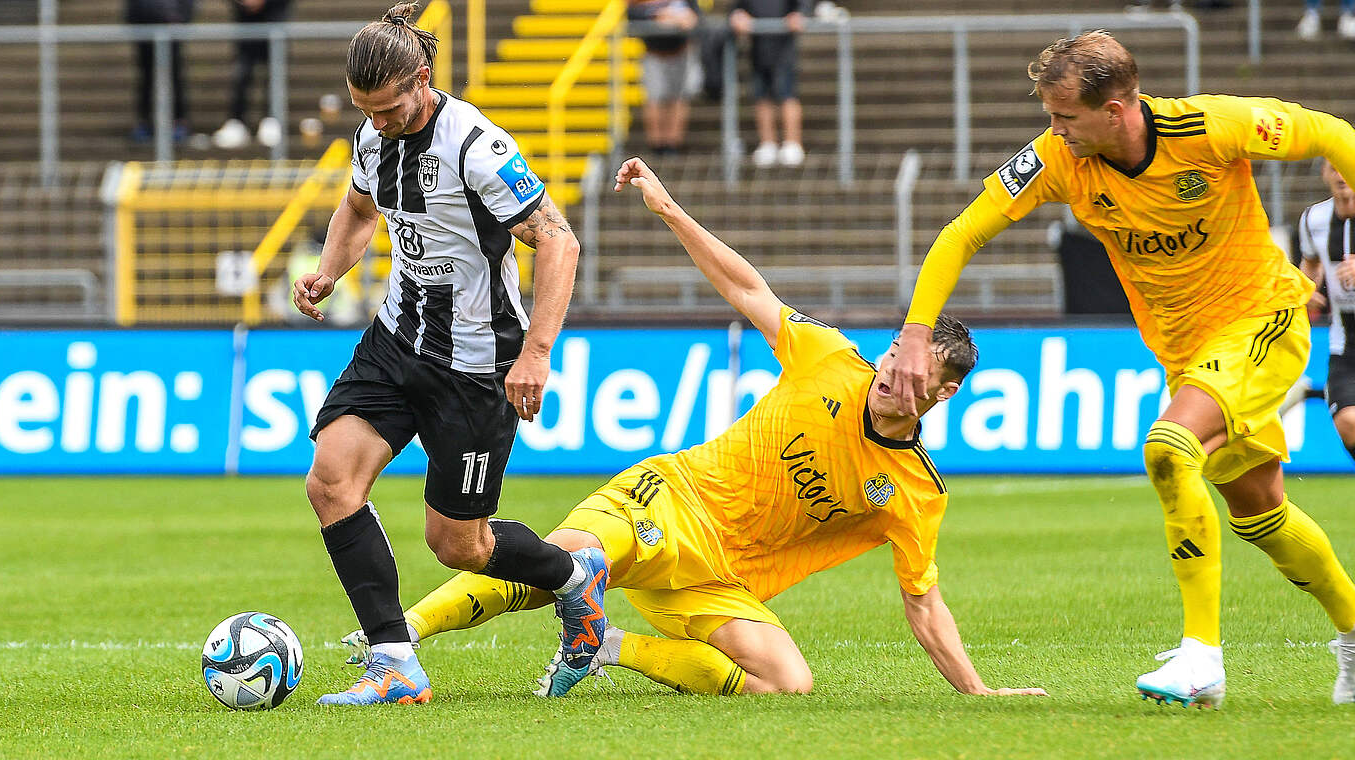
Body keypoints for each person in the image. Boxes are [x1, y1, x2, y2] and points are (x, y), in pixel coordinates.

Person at [341, 157, 1047, 701]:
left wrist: (977, 692)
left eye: (915, 370)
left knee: (786, 684)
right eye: (898, 350)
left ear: (945, 392)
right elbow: (748, 290)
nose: (896, 370)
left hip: (719, 578)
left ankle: (603, 646)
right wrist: (671, 209)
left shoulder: (915, 493)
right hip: (670, 500)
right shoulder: (832, 359)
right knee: (561, 565)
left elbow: (923, 603)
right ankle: (399, 640)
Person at [890, 30, 1355, 709]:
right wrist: (914, 332)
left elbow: (1333, 133)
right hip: (1188, 355)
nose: (1054, 132)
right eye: (1049, 117)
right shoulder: (1057, 158)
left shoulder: (1211, 126)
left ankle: (1202, 660)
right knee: (1262, 516)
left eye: (1065, 117)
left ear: (1118, 108)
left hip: (1264, 321)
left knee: (1169, 447)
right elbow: (964, 231)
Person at [291, 3, 605, 706]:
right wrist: (330, 269)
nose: (378, 122)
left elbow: (558, 240)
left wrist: (537, 353)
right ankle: (395, 665)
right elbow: (358, 209)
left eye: (391, 108)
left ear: (423, 80)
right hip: (397, 340)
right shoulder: (373, 139)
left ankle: (574, 575)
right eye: (365, 110)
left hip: (477, 363)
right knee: (330, 481)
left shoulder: (477, 147)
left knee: (459, 545)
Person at [1297, 160, 1355, 465]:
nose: (1340, 175)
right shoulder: (1314, 218)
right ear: (1324, 173)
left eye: (1347, 166)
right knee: (1348, 423)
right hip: (1346, 344)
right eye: (1334, 168)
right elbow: (1311, 265)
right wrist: (1303, 290)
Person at [729, 0, 811, 168]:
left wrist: (800, 14)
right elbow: (737, 8)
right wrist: (738, 16)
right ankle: (768, 142)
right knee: (761, 96)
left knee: (787, 95)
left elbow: (803, 6)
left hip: (784, 49)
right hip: (758, 49)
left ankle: (792, 142)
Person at [212, 0, 293, 149]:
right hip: (245, 25)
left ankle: (272, 119)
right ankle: (237, 121)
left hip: (274, 19)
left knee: (274, 73)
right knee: (242, 73)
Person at [628, 0, 702, 157]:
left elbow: (696, 17)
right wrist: (658, 16)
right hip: (654, 53)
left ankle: (672, 143)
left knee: (678, 98)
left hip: (680, 51)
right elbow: (632, 14)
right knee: (654, 99)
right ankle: (657, 144)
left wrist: (685, 19)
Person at [125, 0, 194, 144]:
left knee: (174, 77)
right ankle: (144, 122)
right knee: (146, 79)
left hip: (172, 34)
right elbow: (132, 7)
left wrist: (181, 20)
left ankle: (179, 121)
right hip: (145, 34)